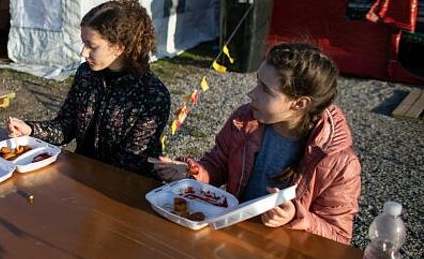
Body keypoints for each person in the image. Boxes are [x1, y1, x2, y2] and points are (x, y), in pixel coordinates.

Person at [155, 42, 361, 244]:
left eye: (265, 89)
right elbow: (217, 165)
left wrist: (296, 217)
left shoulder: (337, 163)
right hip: (230, 238)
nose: (251, 94)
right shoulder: (246, 120)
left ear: (300, 104)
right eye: (257, 82)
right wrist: (191, 173)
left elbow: (339, 236)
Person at [6, 0, 171, 178]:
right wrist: (31, 130)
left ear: (119, 48)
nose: (83, 53)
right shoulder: (87, 74)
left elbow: (129, 163)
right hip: (82, 178)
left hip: (125, 190)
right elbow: (66, 126)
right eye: (83, 43)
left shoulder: (152, 95)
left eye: (91, 46)